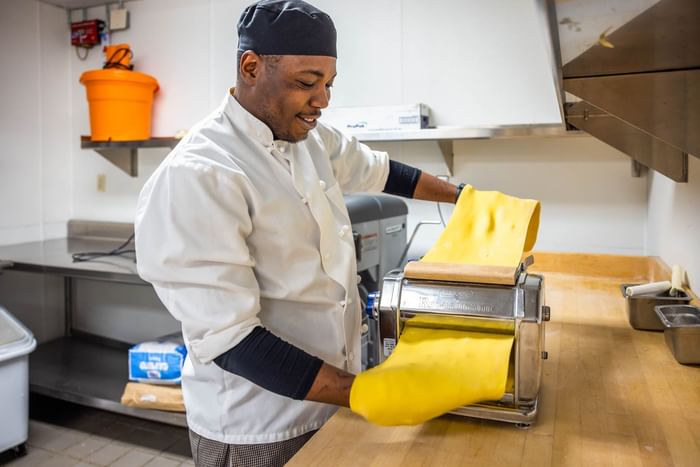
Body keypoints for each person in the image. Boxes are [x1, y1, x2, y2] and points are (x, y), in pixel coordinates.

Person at [135, 1, 464, 466]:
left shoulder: (308, 138)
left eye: (328, 84)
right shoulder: (201, 173)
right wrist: (372, 390)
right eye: (307, 83)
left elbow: (381, 171)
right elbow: (231, 339)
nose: (323, 100)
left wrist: (463, 196)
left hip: (331, 399)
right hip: (258, 425)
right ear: (251, 67)